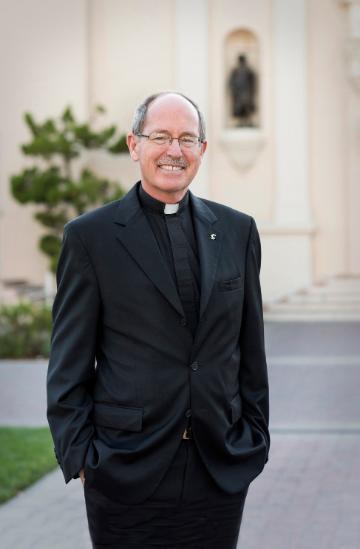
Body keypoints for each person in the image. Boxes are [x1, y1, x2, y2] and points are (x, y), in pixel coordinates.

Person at [46, 91, 270, 549]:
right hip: (124, 472)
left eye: (188, 138)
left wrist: (254, 438)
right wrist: (83, 459)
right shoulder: (91, 238)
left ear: (203, 150)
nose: (175, 150)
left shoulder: (237, 230)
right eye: (161, 137)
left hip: (219, 468)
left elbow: (251, 352)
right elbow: (68, 365)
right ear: (134, 145)